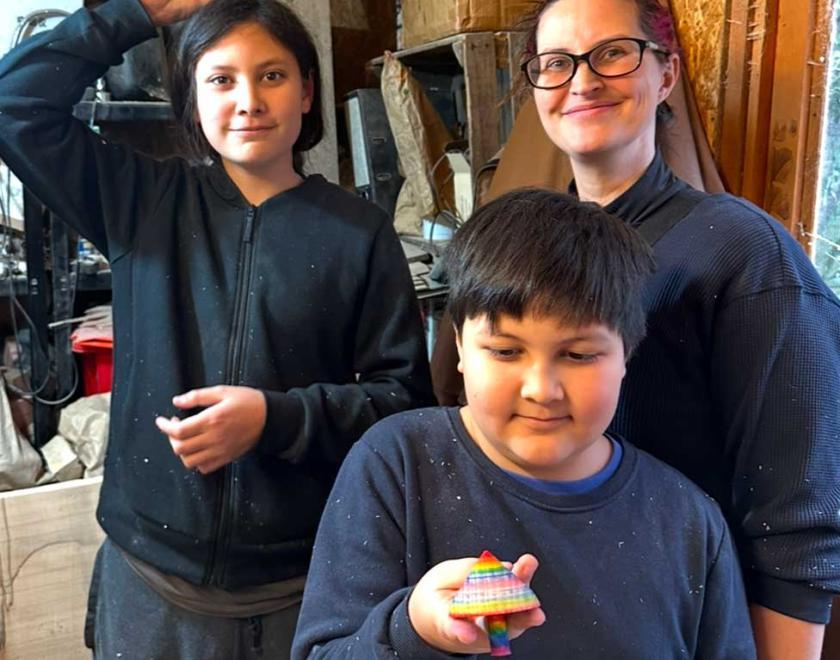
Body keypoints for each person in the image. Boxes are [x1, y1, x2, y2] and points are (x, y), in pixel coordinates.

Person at [0, 0, 434, 657]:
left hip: (303, 583)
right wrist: (136, 12)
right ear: (191, 97)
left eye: (272, 76)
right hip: (148, 583)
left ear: (308, 90)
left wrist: (275, 419)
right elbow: (15, 104)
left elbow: (403, 402)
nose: (249, 100)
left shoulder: (358, 233)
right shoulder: (140, 203)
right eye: (221, 79)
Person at [430, 0, 840, 655]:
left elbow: (798, 519)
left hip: (682, 624)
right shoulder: (519, 250)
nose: (583, 81)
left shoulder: (738, 252)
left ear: (667, 74)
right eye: (557, 63)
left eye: (613, 53)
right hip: (536, 611)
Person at [292, 189, 757, 659]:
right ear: (459, 346)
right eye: (506, 351)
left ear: (626, 355)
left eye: (578, 355)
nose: (541, 389)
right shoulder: (395, 464)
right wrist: (415, 631)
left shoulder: (690, 525)